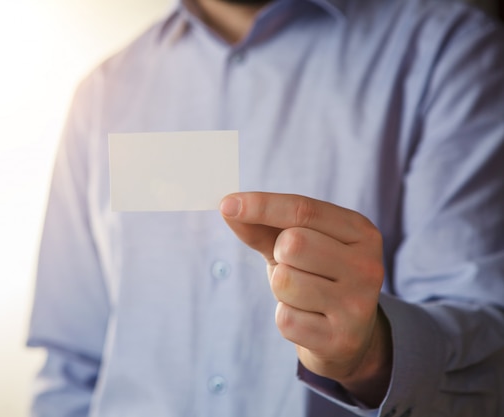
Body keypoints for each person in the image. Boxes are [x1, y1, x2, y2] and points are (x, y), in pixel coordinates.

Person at [26, 0, 504, 415]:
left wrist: (372, 355)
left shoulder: (449, 53)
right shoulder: (104, 95)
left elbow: (486, 352)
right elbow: (71, 365)